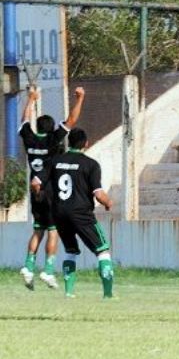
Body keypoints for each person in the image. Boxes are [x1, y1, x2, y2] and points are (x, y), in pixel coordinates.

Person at [32, 128, 114, 298]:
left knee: (71, 251)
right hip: (81, 214)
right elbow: (99, 195)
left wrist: (39, 195)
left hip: (59, 214)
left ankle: (69, 293)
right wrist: (108, 203)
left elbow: (35, 182)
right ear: (86, 144)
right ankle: (108, 294)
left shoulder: (54, 161)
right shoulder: (91, 164)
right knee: (103, 251)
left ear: (69, 143)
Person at [18, 86, 85, 290]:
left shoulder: (28, 137)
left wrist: (31, 99)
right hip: (50, 191)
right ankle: (48, 270)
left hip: (35, 190)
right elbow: (72, 120)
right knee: (53, 231)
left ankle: (28, 266)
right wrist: (80, 99)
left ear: (37, 127)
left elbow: (24, 120)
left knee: (38, 230)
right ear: (52, 128)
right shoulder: (53, 140)